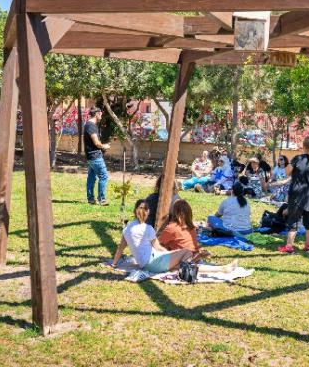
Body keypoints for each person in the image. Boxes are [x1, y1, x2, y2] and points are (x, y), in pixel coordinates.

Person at [110, 199, 239, 274]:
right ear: (147, 211)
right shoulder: (149, 229)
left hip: (148, 264)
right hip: (156, 261)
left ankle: (221, 268)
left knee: (183, 264)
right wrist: (171, 254)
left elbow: (120, 249)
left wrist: (114, 264)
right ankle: (207, 265)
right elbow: (159, 247)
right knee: (186, 256)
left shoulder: (127, 228)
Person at [279, 136, 309, 253]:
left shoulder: (298, 158)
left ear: (303, 146)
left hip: (298, 193)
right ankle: (308, 246)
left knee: (294, 219)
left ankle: (289, 247)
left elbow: (287, 172)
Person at [84, 107, 111, 205]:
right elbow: (96, 142)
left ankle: (91, 199)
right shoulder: (91, 126)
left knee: (91, 178)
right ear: (97, 114)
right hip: (95, 156)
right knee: (103, 176)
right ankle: (101, 199)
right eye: (101, 114)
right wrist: (104, 146)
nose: (101, 116)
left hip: (91, 156)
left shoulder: (88, 125)